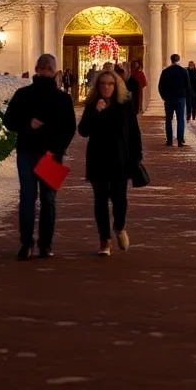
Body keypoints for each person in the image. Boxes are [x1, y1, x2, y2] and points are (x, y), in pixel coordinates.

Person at [3, 53, 77, 260]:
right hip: (28, 152)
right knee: (28, 198)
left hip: (49, 154)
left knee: (47, 200)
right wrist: (28, 124)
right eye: (42, 68)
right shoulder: (23, 94)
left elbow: (69, 128)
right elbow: (9, 121)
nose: (45, 71)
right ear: (37, 69)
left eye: (48, 68)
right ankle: (27, 243)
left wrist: (58, 148)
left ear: (54, 71)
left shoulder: (62, 98)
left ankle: (45, 244)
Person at [78, 68, 143, 256]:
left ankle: (120, 226)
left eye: (110, 83)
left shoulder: (125, 104)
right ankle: (104, 239)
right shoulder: (92, 105)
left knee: (119, 199)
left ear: (116, 85)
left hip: (120, 159)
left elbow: (133, 132)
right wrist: (95, 113)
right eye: (103, 83)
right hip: (98, 159)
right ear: (97, 86)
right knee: (100, 201)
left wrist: (136, 155)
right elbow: (83, 130)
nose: (106, 87)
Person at [158, 53, 193, 147]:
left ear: (171, 60)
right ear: (179, 59)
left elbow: (160, 86)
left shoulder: (165, 71)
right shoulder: (183, 71)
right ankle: (180, 140)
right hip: (181, 98)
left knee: (168, 119)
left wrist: (164, 96)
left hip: (169, 98)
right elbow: (188, 87)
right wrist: (188, 99)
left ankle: (169, 140)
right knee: (180, 119)